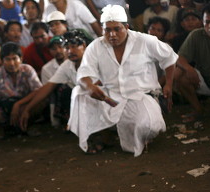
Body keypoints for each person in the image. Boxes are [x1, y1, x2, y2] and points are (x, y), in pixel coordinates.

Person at [68, 4, 178, 156]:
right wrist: (89, 86)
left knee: (148, 128)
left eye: (116, 29)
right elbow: (84, 73)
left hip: (141, 96)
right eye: (107, 30)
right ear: (102, 29)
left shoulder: (145, 41)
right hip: (110, 97)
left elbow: (169, 58)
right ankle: (103, 136)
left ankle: (132, 129)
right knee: (79, 92)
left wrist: (169, 85)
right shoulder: (95, 46)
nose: (112, 34)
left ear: (126, 27)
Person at [21, 30, 89, 131]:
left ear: (84, 45)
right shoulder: (67, 65)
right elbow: (48, 87)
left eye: (74, 46)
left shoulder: (94, 62)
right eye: (67, 48)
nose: (70, 51)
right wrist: (28, 108)